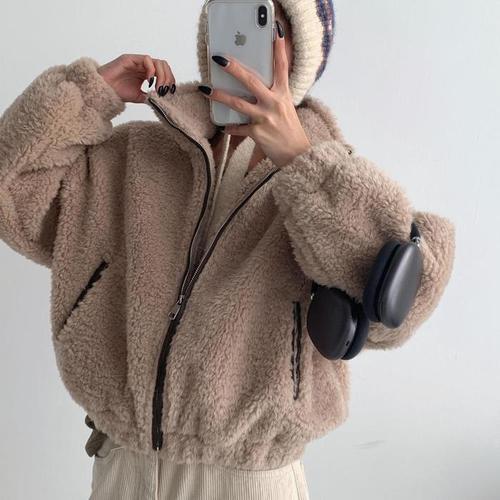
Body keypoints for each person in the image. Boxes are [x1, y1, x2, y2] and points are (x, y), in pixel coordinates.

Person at [0, 0, 456, 498]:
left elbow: (398, 308)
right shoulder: (135, 154)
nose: (242, 38)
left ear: (302, 53)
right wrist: (89, 95)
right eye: (229, 12)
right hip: (123, 467)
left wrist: (304, 163)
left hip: (250, 480)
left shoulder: (334, 184)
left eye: (268, 23)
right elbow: (12, 198)